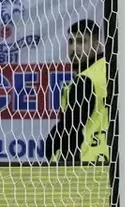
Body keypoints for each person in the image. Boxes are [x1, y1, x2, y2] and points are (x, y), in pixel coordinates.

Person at [45, 19, 107, 165]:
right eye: (71, 42)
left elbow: (71, 129)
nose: (74, 48)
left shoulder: (86, 79)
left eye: (81, 41)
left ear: (97, 44)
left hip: (85, 161)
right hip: (107, 157)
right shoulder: (107, 70)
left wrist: (54, 153)